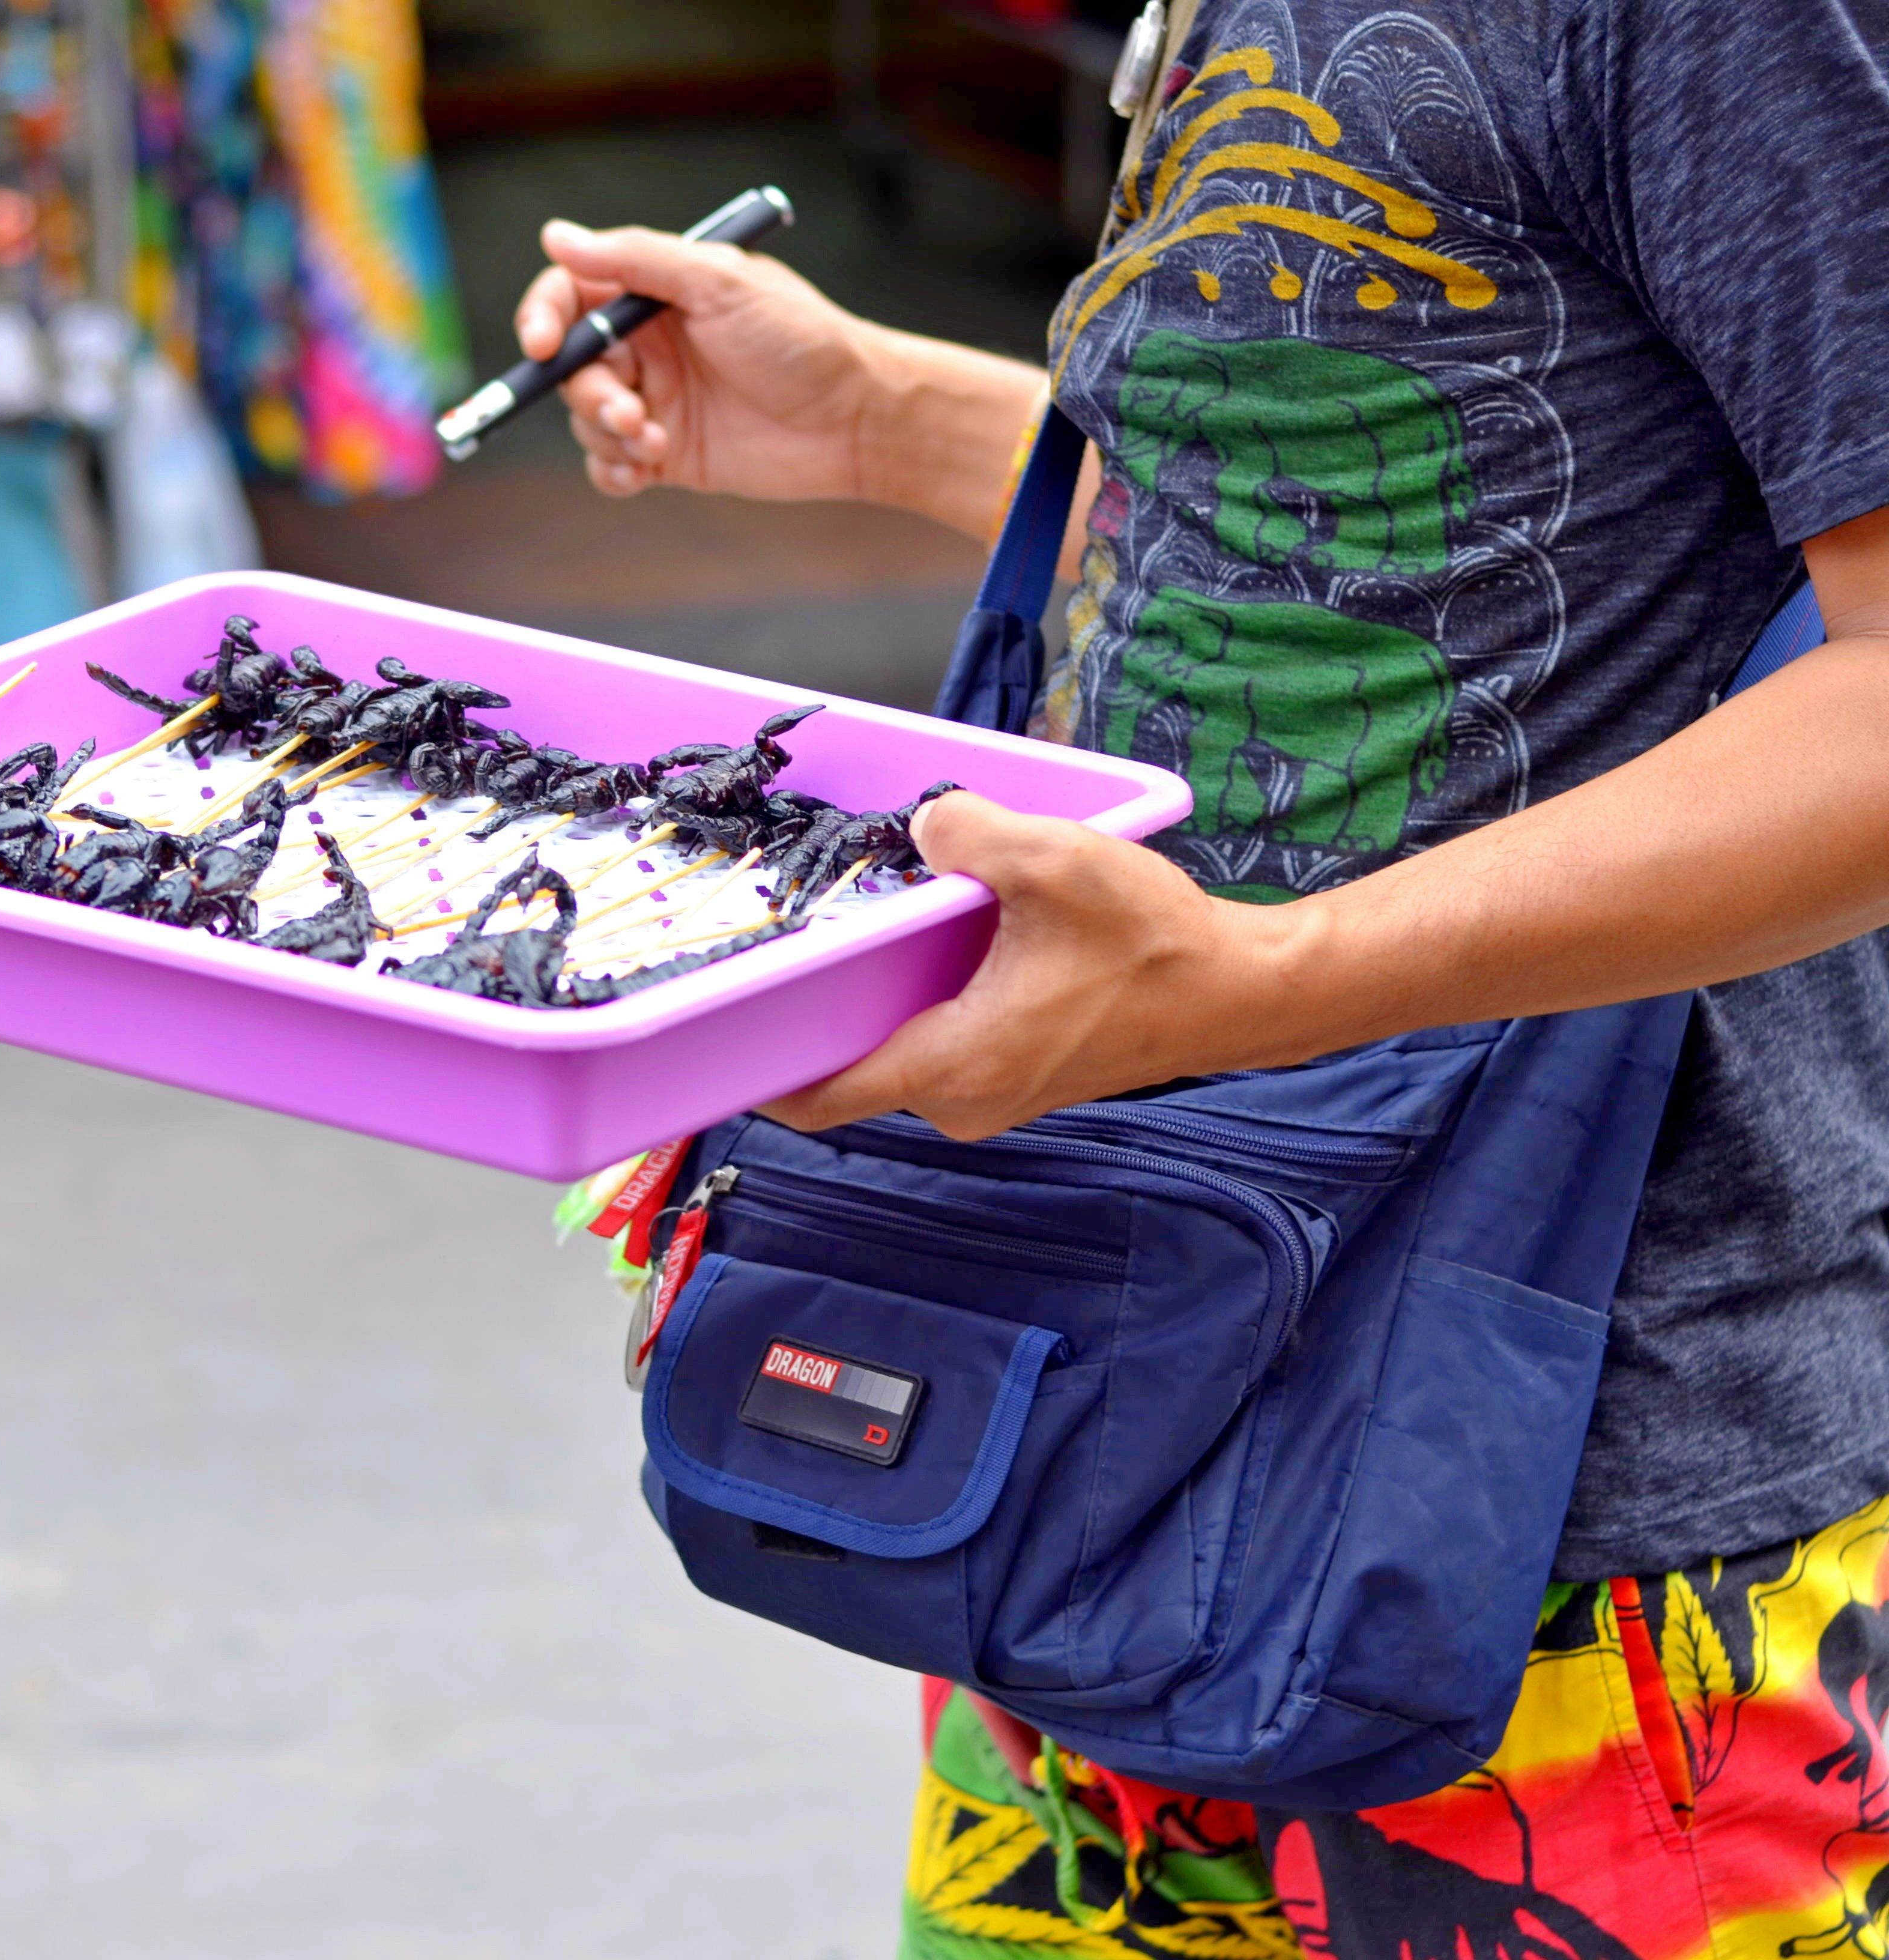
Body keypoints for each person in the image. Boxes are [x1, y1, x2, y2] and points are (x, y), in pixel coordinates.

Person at [513, 0, 1889, 1947]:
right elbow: (1399, 516)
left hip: (1577, 1554)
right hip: (1114, 1431)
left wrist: (1261, 978)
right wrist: (871, 418)